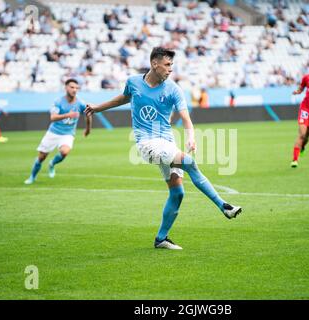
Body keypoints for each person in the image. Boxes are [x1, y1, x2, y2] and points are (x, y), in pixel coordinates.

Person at [85, 47, 242, 250]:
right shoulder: (133, 82)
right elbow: (123, 98)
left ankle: (161, 239)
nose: (170, 70)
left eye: (172, 65)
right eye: (167, 65)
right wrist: (98, 107)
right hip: (146, 143)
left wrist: (191, 138)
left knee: (177, 193)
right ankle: (224, 206)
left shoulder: (173, 89)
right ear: (154, 64)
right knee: (189, 162)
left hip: (167, 142)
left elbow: (186, 118)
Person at [24, 79, 92, 184]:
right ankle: (32, 177)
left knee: (65, 152)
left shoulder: (80, 103)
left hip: (68, 133)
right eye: (72, 87)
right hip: (53, 132)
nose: (74, 90)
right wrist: (67, 115)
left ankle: (52, 164)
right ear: (66, 88)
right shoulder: (58, 102)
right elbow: (53, 117)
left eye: (76, 88)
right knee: (41, 157)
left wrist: (88, 129)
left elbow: (88, 114)